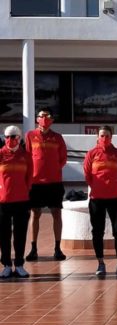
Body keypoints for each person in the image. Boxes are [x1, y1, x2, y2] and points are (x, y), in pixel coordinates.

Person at [83, 126, 117, 277]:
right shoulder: (91, 154)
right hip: (96, 199)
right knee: (97, 232)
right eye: (102, 135)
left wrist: (112, 188)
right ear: (97, 137)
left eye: (107, 136)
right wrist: (98, 188)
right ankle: (101, 264)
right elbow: (87, 175)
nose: (105, 138)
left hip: (115, 199)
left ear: (112, 137)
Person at [24, 107, 68, 261]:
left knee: (57, 213)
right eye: (42, 116)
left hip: (54, 183)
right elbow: (27, 157)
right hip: (35, 183)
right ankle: (33, 248)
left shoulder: (58, 137)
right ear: (37, 119)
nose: (44, 119)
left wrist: (53, 170)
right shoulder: (30, 136)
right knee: (35, 214)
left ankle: (57, 248)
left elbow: (63, 159)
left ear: (52, 120)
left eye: (48, 116)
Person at [0, 126, 33, 278]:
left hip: (21, 201)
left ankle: (19, 264)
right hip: (3, 202)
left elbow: (29, 177)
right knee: (4, 234)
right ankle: (6, 264)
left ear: (19, 138)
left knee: (20, 234)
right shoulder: (0, 154)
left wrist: (24, 191)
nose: (10, 139)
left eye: (13, 136)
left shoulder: (26, 156)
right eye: (7, 136)